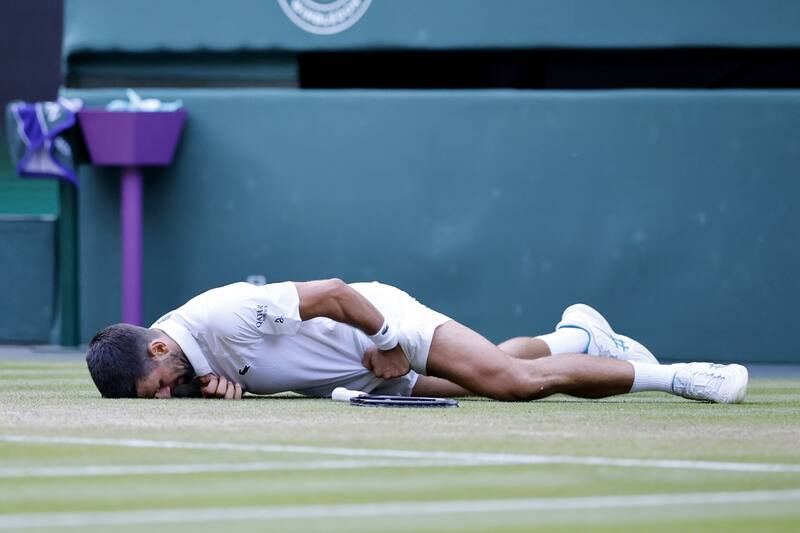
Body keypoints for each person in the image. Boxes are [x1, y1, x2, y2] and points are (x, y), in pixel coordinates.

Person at [85, 279, 748, 404]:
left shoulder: (222, 312)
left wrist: (388, 337)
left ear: (161, 351)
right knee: (490, 371)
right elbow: (215, 375)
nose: (170, 398)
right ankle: (576, 333)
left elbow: (336, 292)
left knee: (513, 386)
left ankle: (681, 375)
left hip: (385, 328)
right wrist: (213, 394)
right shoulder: (176, 351)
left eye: (162, 388)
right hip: (367, 375)